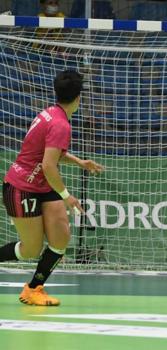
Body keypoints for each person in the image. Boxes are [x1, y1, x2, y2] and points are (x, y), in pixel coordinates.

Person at [0, 70, 104, 306]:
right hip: (21, 187)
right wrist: (67, 196)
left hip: (40, 184)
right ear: (79, 98)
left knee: (61, 236)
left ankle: (34, 289)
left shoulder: (51, 113)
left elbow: (50, 153)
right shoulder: (60, 124)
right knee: (31, 249)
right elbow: (48, 165)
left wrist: (79, 162)